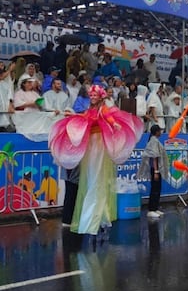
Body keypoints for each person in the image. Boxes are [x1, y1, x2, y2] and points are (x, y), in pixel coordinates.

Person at [49, 85, 143, 238]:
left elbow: (108, 117)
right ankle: (94, 217)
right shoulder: (90, 110)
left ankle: (93, 218)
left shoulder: (103, 109)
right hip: (90, 145)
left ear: (100, 97)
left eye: (94, 95)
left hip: (98, 146)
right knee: (90, 181)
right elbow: (84, 118)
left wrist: (114, 124)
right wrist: (72, 115)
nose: (92, 97)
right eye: (91, 95)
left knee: (95, 181)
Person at [138, 125, 169, 219]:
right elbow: (154, 157)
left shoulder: (155, 140)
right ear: (156, 132)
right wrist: (156, 171)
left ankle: (155, 208)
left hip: (157, 169)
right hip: (155, 169)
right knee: (154, 189)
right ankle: (151, 209)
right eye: (160, 131)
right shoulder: (153, 141)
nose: (161, 132)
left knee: (157, 188)